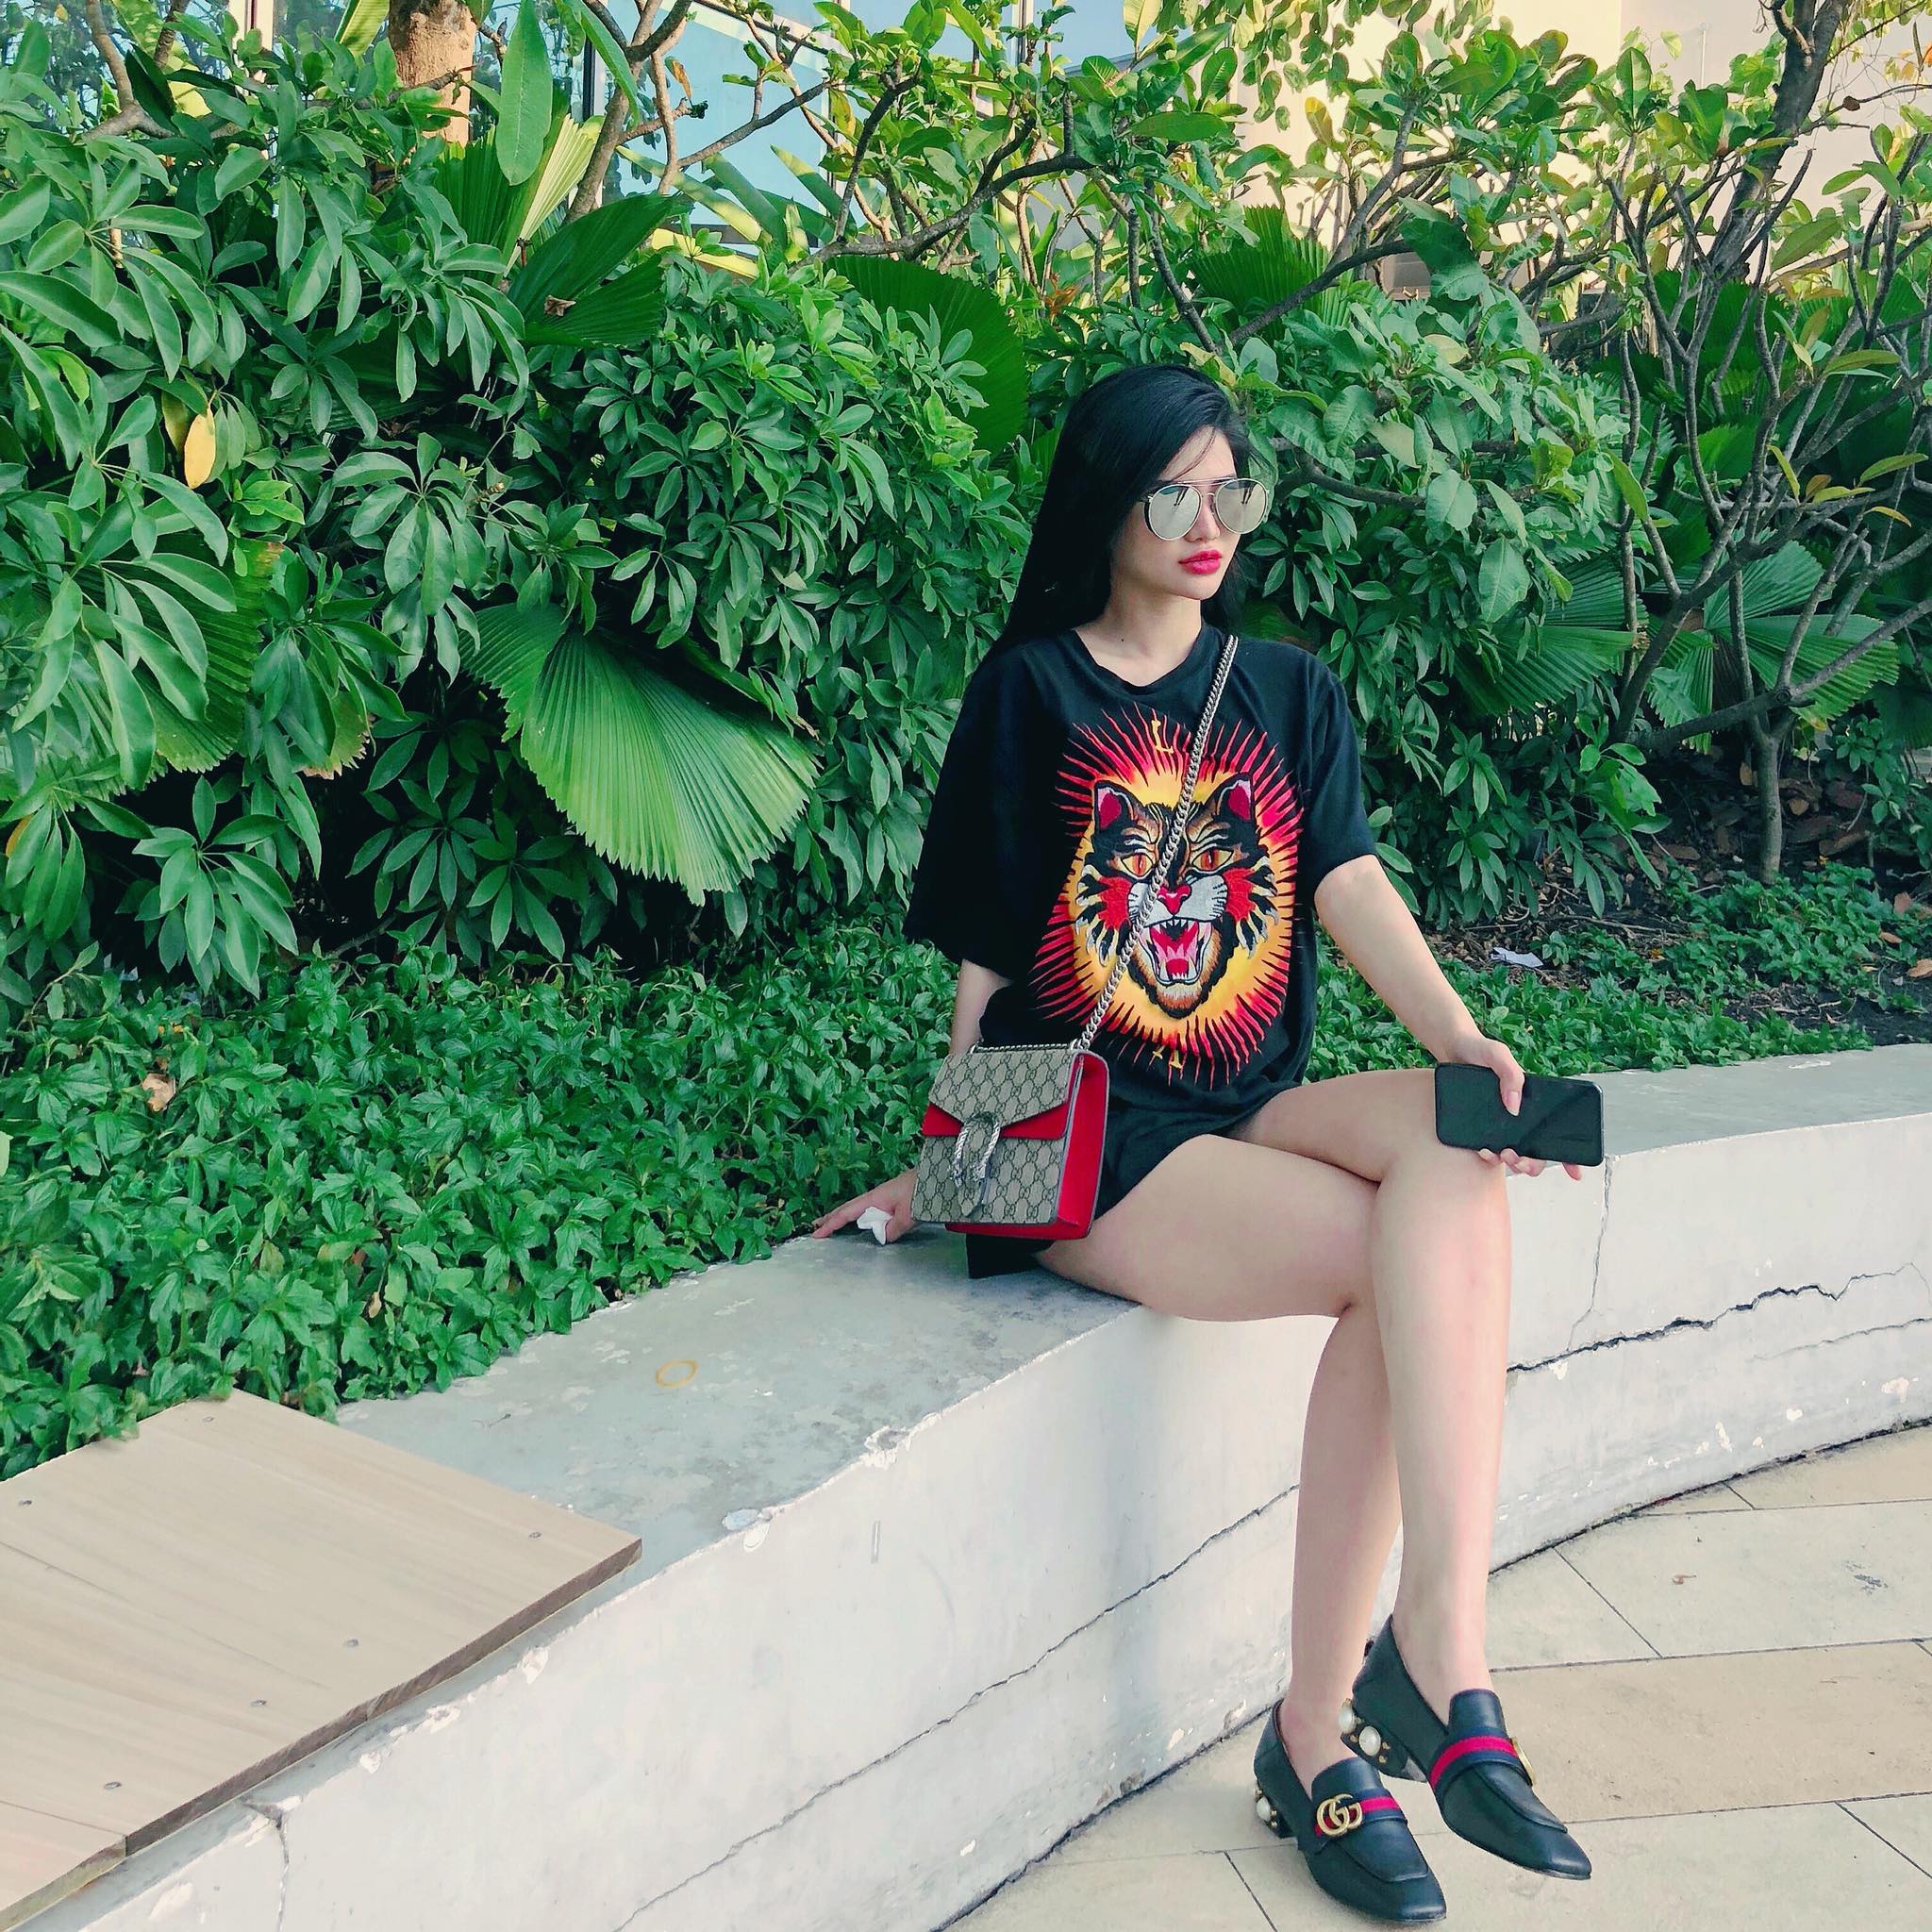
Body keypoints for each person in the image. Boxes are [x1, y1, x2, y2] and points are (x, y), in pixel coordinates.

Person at [811, 361, 1591, 1922]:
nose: (1206, 517)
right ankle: (1341, 1723)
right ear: (1109, 503)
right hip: (1107, 1137)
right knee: (1415, 1264)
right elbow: (992, 951)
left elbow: (1346, 880)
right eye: (1171, 489)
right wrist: (960, 1156)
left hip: (1250, 1100)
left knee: (1456, 1153)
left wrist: (1461, 1039)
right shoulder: (1031, 693)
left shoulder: (1290, 690)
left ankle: (1430, 1640)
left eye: (1230, 485)